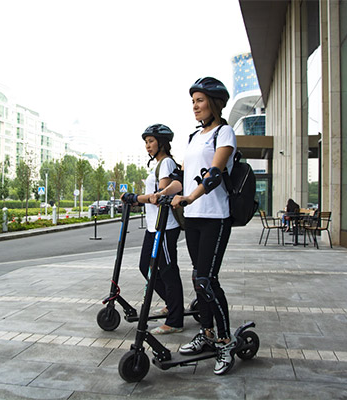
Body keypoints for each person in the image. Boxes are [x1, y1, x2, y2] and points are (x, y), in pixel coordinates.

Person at [155, 77, 237, 375]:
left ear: (214, 103)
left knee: (207, 279)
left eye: (200, 100)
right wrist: (167, 193)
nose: (195, 106)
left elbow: (214, 173)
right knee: (196, 279)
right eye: (193, 101)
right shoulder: (193, 137)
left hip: (215, 216)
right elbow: (183, 176)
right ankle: (207, 332)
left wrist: (189, 197)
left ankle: (226, 341)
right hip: (194, 217)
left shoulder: (224, 132)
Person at [122, 124, 184, 334]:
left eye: (151, 141)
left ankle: (175, 320)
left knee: (168, 270)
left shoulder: (166, 163)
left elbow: (159, 197)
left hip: (165, 227)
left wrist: (136, 198)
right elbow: (151, 198)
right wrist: (137, 201)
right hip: (154, 227)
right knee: (144, 266)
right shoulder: (158, 165)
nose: (147, 146)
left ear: (162, 143)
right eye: (146, 142)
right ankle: (172, 302)